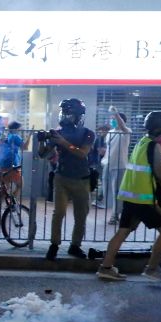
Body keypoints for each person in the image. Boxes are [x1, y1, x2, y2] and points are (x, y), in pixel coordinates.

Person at [96, 111, 161, 281]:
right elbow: (160, 172)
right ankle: (152, 269)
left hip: (130, 196)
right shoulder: (155, 146)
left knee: (123, 232)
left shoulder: (143, 141)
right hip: (143, 198)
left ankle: (106, 267)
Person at [38, 98, 95, 261]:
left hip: (82, 179)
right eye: (64, 113)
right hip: (61, 177)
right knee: (59, 213)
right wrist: (42, 141)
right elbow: (43, 154)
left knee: (81, 215)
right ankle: (54, 245)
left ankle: (75, 246)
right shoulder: (58, 131)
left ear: (79, 116)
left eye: (69, 114)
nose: (65, 117)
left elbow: (82, 153)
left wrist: (62, 142)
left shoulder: (88, 133)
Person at [102, 106, 132, 224]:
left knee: (117, 192)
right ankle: (114, 212)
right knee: (107, 190)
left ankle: (115, 215)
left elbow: (123, 126)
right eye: (111, 119)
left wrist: (116, 113)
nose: (112, 121)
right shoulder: (110, 132)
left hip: (119, 165)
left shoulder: (126, 132)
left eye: (114, 119)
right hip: (108, 164)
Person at [0, 121, 31, 200]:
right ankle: (12, 203)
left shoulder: (8, 136)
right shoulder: (15, 137)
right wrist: (30, 136)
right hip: (12, 165)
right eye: (20, 128)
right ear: (16, 128)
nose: (22, 129)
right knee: (20, 184)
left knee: (6, 188)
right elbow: (25, 147)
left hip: (3, 164)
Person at [89, 124, 109, 208]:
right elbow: (101, 151)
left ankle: (100, 200)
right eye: (100, 131)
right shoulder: (100, 139)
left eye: (102, 130)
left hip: (101, 162)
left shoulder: (105, 139)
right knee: (103, 181)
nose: (100, 132)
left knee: (104, 180)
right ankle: (99, 200)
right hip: (99, 163)